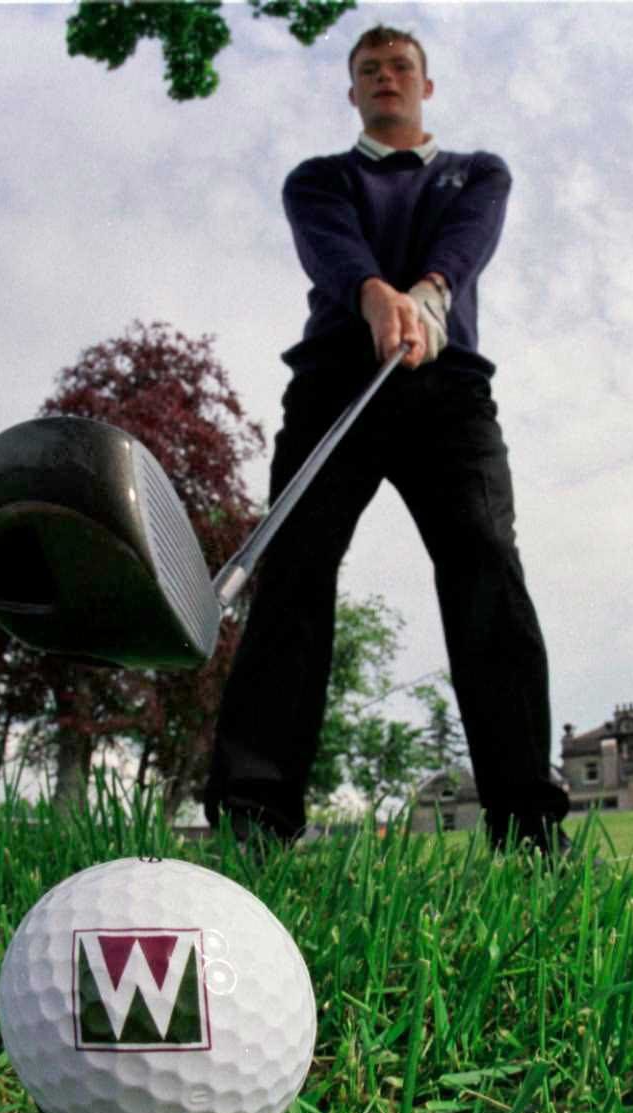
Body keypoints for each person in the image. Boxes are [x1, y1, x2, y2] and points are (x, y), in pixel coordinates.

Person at [202, 24, 569, 856]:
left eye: (401, 66)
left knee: (484, 560)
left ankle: (528, 824)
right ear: (352, 92)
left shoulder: (477, 171)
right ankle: (254, 819)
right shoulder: (318, 178)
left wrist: (431, 290)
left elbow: (466, 241)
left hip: (450, 390)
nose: (386, 77)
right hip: (338, 380)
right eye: (369, 70)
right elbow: (332, 250)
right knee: (292, 573)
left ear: (425, 86)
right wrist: (375, 298)